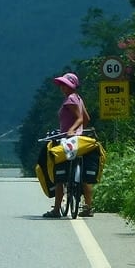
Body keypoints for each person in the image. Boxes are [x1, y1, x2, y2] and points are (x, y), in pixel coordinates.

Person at [42, 72, 95, 218]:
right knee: (83, 175)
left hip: (68, 139)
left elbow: (79, 118)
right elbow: (86, 118)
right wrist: (80, 131)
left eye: (64, 85)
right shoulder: (78, 98)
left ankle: (56, 209)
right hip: (80, 140)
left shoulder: (70, 99)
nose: (62, 87)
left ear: (69, 86)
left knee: (60, 174)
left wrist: (71, 130)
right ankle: (88, 206)